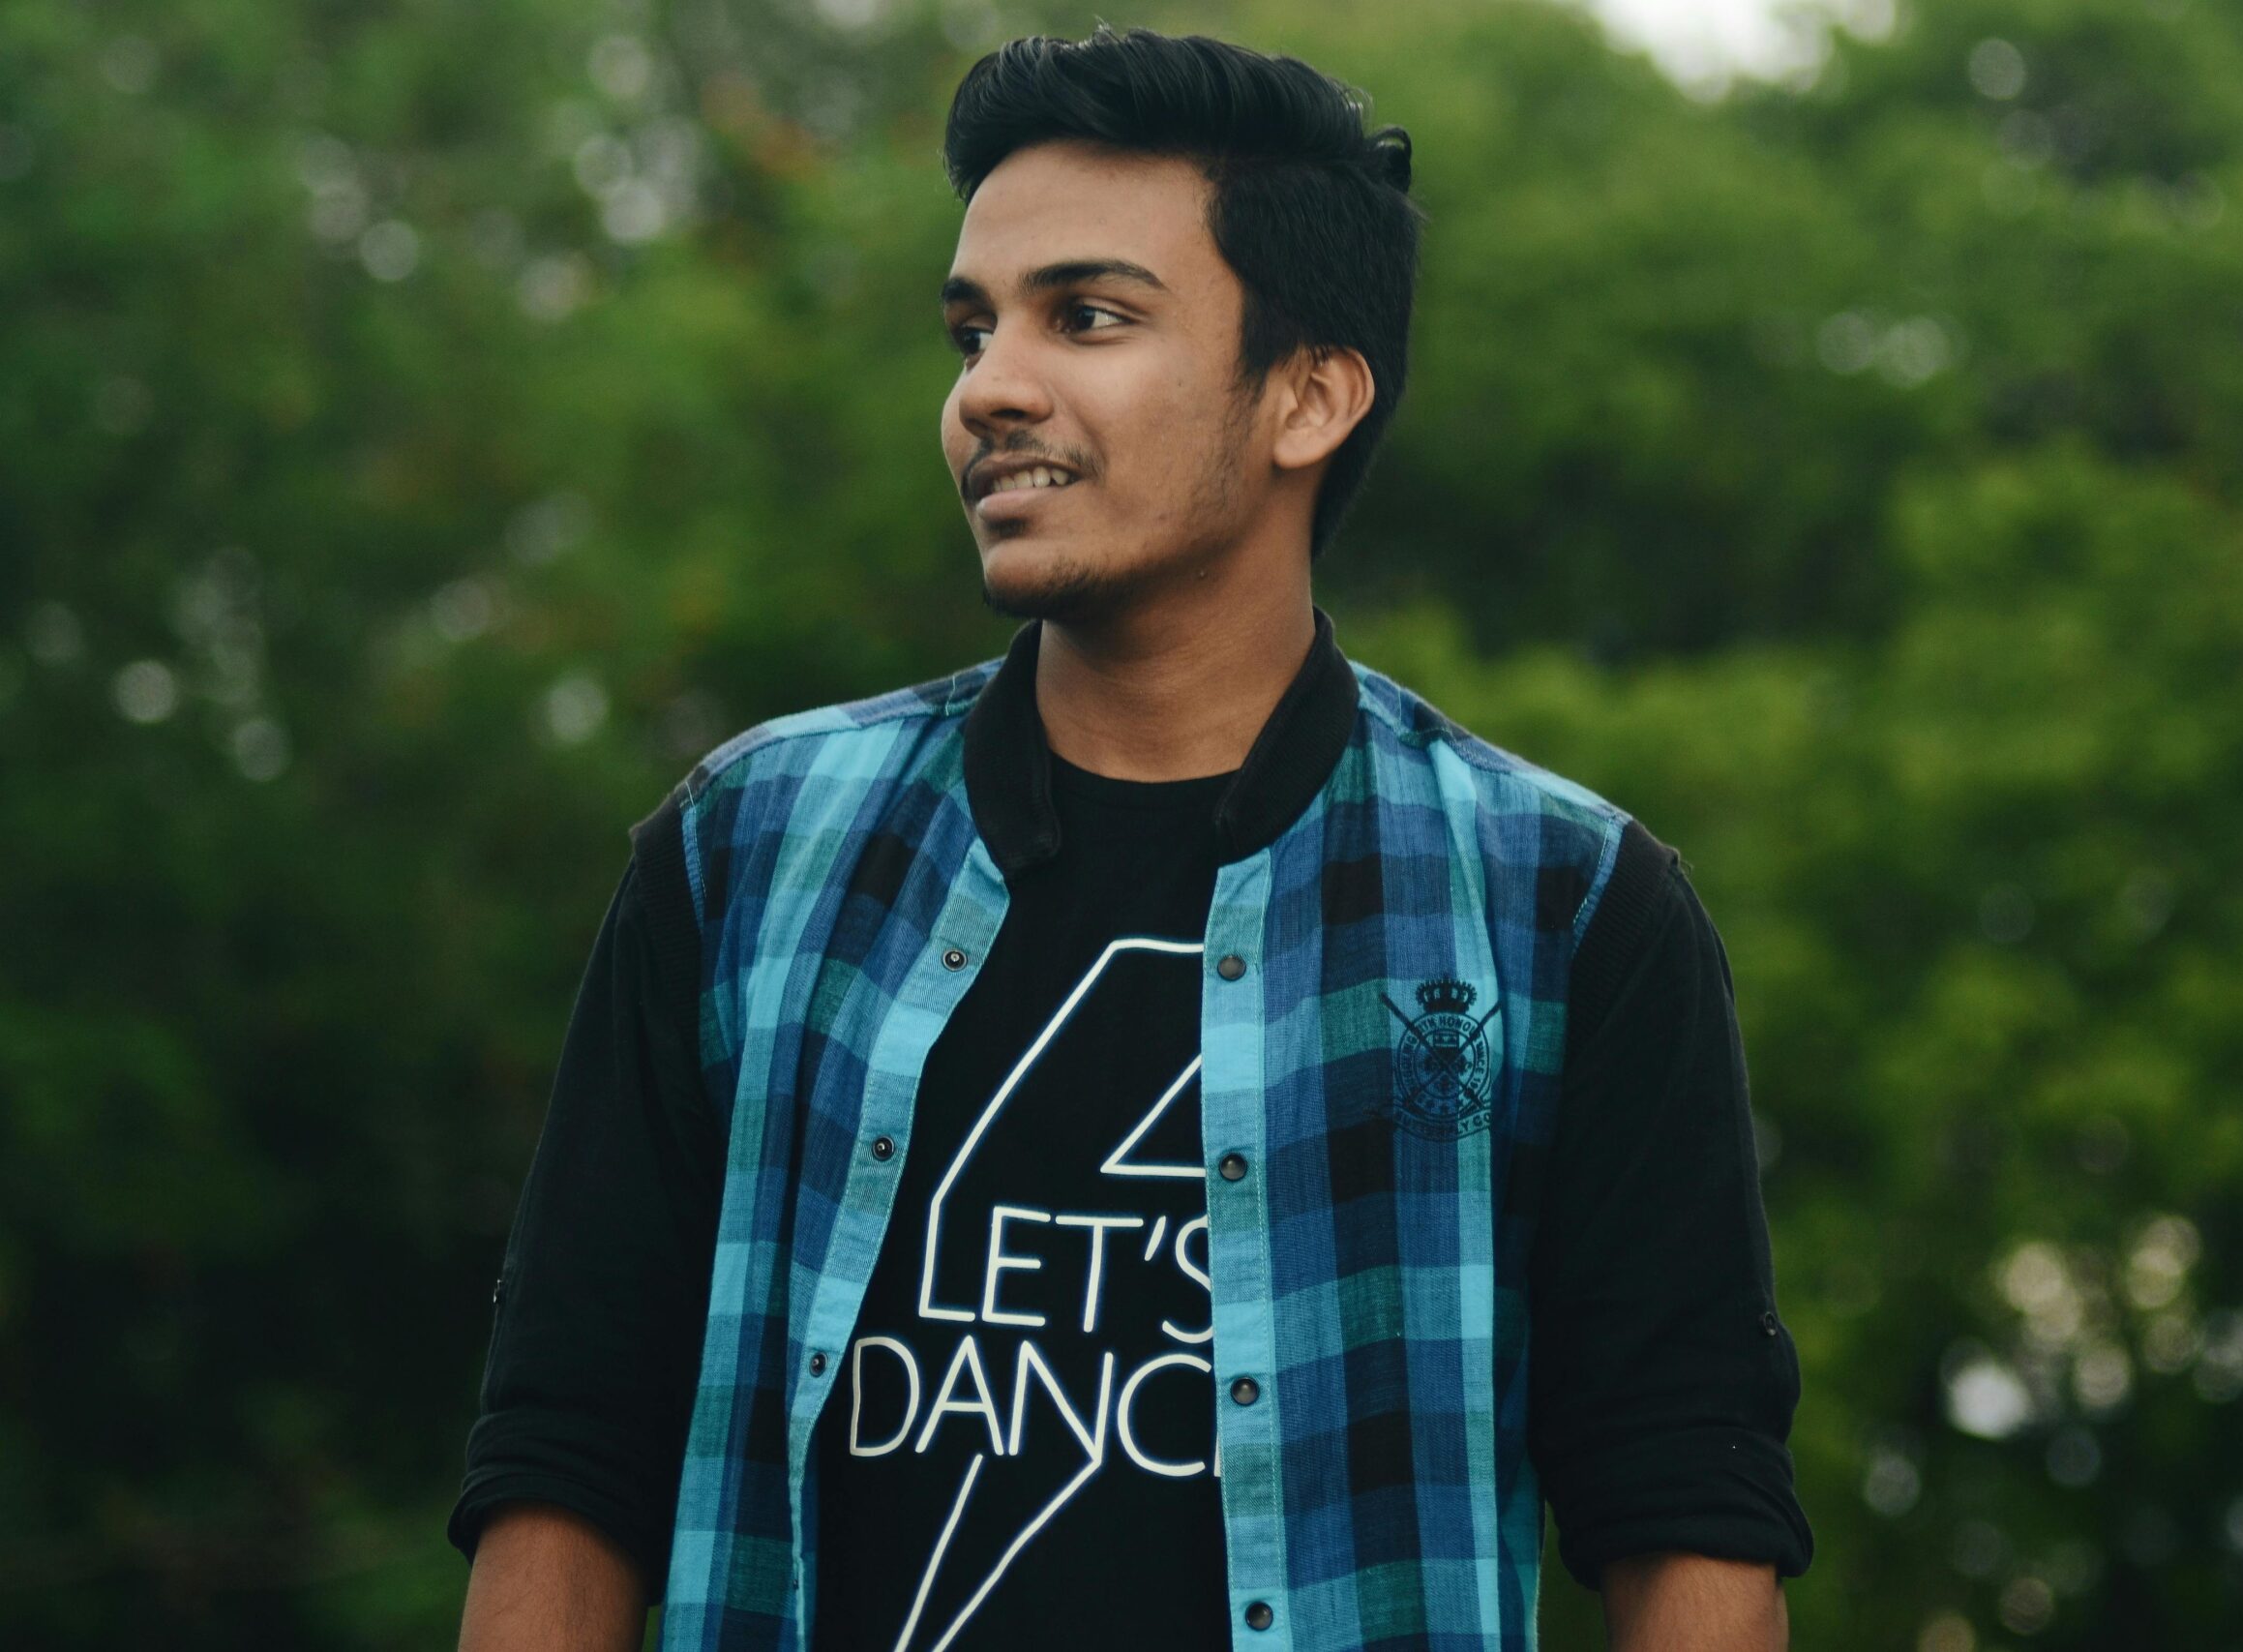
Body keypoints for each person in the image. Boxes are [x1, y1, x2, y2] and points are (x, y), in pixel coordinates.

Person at [449, 25, 1810, 1652]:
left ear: (1309, 395)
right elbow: (569, 1447)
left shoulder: (1562, 908)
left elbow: (1689, 1506)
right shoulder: (748, 852)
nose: (990, 389)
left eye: (1085, 317)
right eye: (971, 330)